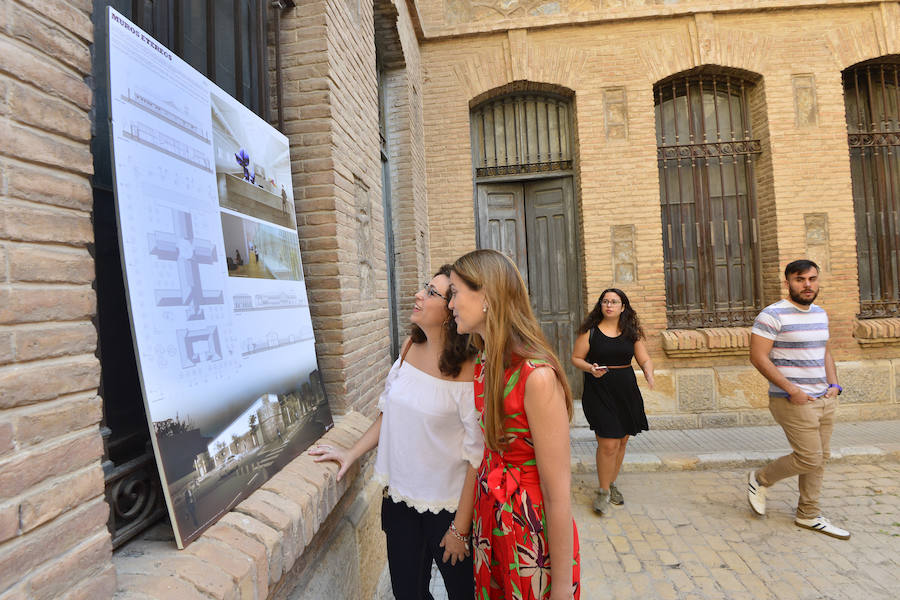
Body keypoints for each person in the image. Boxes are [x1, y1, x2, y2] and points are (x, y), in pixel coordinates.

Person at [309, 266, 481, 599]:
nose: (418, 295)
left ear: (450, 311)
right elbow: (388, 415)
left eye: (432, 293)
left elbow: (478, 455)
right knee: (408, 594)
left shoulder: (470, 368)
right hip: (400, 500)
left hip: (448, 509)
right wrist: (350, 453)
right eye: (424, 287)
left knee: (464, 595)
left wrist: (460, 529)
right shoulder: (408, 348)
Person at [448, 248, 580, 600]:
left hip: (530, 536)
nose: (451, 303)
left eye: (456, 292)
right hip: (491, 526)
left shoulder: (535, 377)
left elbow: (557, 492)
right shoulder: (484, 363)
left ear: (486, 297)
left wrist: (563, 588)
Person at [746, 259, 849, 539]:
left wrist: (834, 384)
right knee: (809, 457)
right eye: (800, 279)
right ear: (788, 282)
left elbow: (825, 352)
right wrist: (792, 389)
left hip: (824, 398)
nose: (807, 285)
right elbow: (758, 357)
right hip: (792, 400)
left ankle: (808, 514)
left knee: (820, 459)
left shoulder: (820, 314)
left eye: (812, 279)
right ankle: (760, 479)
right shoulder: (772, 315)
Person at [571, 289, 653, 516]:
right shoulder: (590, 332)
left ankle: (612, 483)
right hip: (599, 390)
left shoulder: (630, 332)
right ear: (601, 305)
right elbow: (576, 358)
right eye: (605, 301)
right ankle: (603, 491)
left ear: (622, 307)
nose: (609, 305)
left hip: (626, 391)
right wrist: (590, 368)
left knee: (622, 441)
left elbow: (643, 358)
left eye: (614, 302)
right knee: (608, 443)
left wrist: (649, 372)